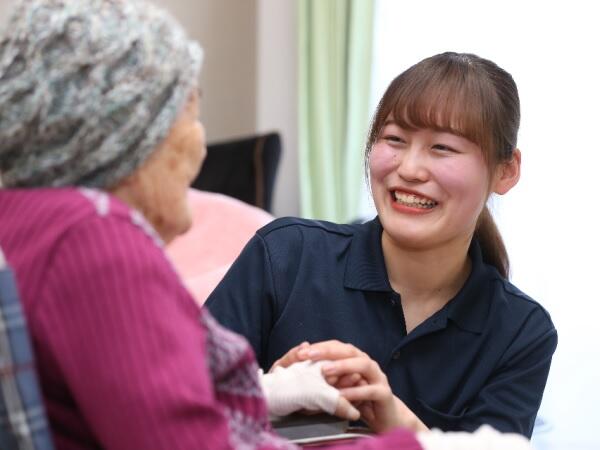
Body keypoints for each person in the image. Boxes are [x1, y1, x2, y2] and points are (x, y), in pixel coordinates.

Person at [205, 52, 558, 437]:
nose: (408, 169)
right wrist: (266, 394)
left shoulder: (521, 332)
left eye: (442, 147)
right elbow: (171, 405)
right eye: (394, 139)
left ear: (506, 171)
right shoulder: (284, 256)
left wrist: (397, 421)